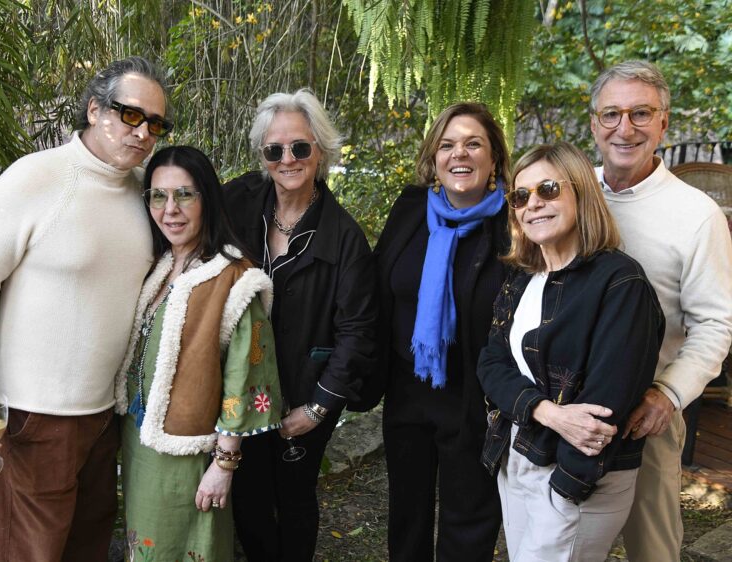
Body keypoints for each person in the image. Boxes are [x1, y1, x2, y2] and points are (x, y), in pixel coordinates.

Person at [0, 56, 170, 561]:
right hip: (31, 418)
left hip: (103, 416)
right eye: (131, 114)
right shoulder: (34, 180)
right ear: (95, 110)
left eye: (155, 123)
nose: (143, 132)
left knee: (88, 547)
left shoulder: (147, 195)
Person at [477, 142, 664, 561]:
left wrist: (566, 491)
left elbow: (605, 409)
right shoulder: (523, 277)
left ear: (580, 191)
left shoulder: (620, 283)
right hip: (519, 455)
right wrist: (546, 411)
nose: (532, 204)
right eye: (520, 196)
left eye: (547, 189)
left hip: (576, 476)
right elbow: (491, 363)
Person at [223, 88, 378, 561]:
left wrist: (318, 408)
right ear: (262, 156)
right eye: (274, 150)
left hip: (304, 390)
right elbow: (183, 217)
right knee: (248, 499)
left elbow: (358, 333)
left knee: (294, 497)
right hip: (244, 388)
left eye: (299, 147)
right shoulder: (239, 203)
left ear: (321, 151)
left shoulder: (344, 238)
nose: (287, 159)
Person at [589, 60, 732, 562]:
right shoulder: (570, 194)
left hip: (644, 413)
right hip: (566, 407)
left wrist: (667, 395)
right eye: (611, 114)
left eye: (641, 113)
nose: (624, 128)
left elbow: (715, 324)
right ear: (594, 124)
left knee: (652, 548)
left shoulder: (696, 215)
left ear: (663, 123)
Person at [114, 145, 283, 561]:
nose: (170, 209)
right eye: (158, 195)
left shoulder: (234, 279)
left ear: (208, 198)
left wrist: (223, 466)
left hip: (189, 455)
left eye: (184, 194)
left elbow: (246, 379)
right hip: (140, 444)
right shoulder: (157, 266)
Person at [374, 102, 509, 561]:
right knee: (406, 514)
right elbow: (380, 286)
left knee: (468, 521)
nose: (459, 154)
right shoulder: (411, 209)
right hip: (408, 387)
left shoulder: (513, 225)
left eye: (474, 144)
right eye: (447, 145)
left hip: (475, 394)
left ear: (494, 158)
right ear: (433, 158)